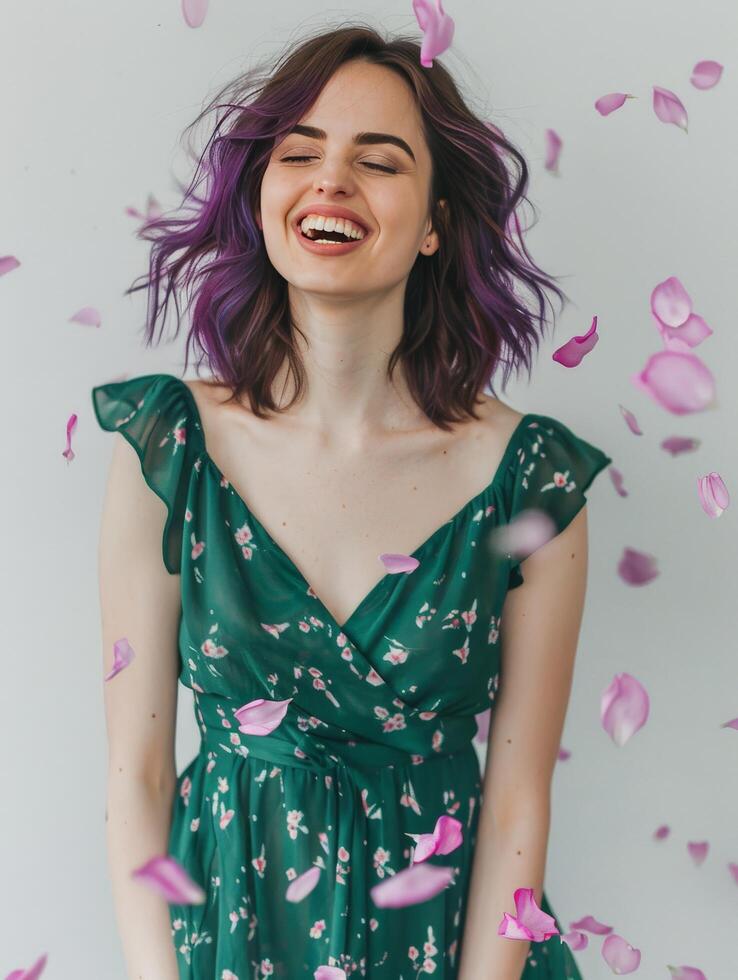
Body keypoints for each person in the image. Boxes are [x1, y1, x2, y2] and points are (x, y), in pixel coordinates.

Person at [92, 24, 612, 980]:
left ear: (432, 226)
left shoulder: (528, 478)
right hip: (228, 945)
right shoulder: (168, 451)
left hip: (450, 952)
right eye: (300, 153)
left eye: (377, 162)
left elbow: (517, 802)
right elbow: (135, 776)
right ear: (264, 195)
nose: (330, 181)